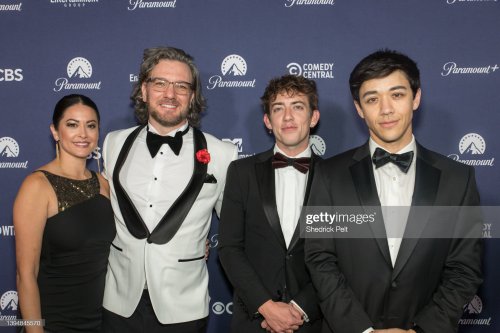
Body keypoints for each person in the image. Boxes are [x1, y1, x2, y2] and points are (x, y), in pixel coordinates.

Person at [304, 49, 483, 333]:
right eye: (372, 99)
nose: (386, 109)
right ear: (359, 108)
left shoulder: (458, 179)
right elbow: (319, 259)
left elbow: (464, 269)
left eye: (397, 95)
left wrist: (421, 330)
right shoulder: (328, 175)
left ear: (416, 98)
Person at [100, 46, 238, 333]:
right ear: (143, 90)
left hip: (183, 307)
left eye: (181, 86)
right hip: (118, 300)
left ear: (193, 96)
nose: (170, 94)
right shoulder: (113, 144)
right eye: (160, 83)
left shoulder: (222, 153)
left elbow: (237, 230)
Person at [218, 74, 323, 333]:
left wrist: (300, 309)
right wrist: (266, 307)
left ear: (313, 117)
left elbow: (343, 256)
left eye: (297, 107)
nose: (287, 117)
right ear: (267, 120)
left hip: (314, 321)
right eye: (278, 109)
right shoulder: (241, 172)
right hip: (254, 320)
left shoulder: (337, 176)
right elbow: (230, 248)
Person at [14, 94, 116, 333]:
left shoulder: (102, 184)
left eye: (90, 126)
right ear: (55, 131)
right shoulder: (37, 185)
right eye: (72, 124)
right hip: (55, 325)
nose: (83, 134)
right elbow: (25, 275)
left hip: (99, 324)